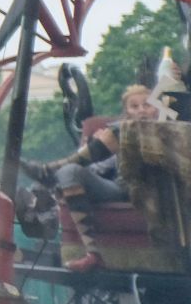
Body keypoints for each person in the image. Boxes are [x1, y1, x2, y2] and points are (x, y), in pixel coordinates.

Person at [31, 83, 162, 272]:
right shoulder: (118, 136)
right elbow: (96, 169)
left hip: (156, 192)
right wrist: (95, 147)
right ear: (127, 112)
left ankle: (47, 173)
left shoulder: (171, 133)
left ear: (156, 109)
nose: (141, 110)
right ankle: (92, 254)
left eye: (147, 105)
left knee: (64, 169)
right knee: (69, 171)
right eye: (134, 106)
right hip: (121, 188)